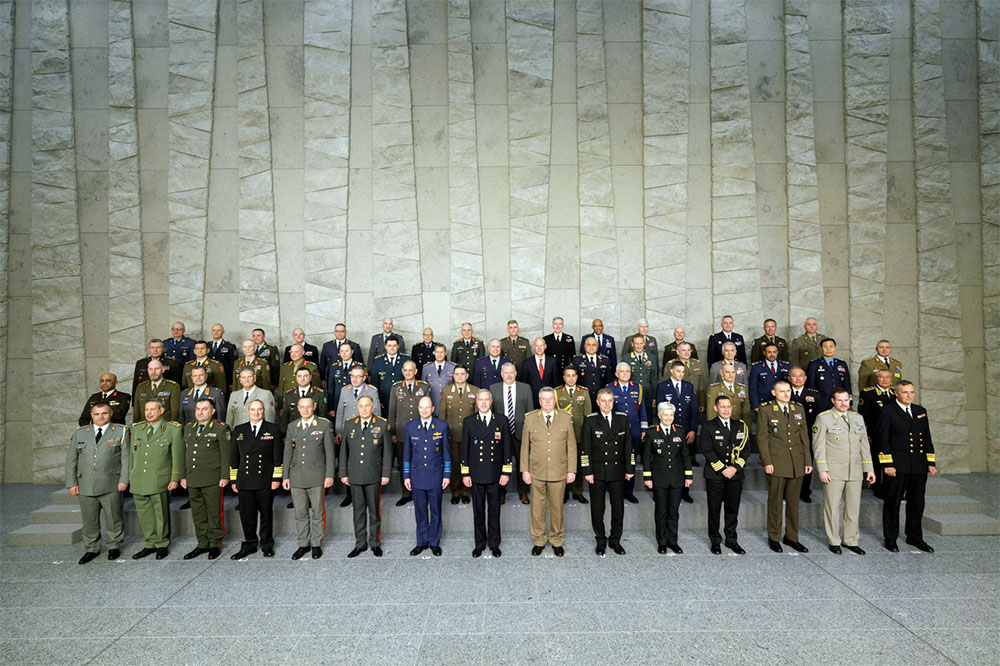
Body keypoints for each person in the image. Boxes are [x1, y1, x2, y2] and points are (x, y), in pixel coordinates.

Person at [812, 389, 875, 554]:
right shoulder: (824, 418)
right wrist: (822, 469)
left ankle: (851, 540)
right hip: (834, 470)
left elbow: (864, 445)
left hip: (855, 469)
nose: (843, 403)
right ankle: (834, 540)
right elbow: (818, 447)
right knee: (832, 507)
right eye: (839, 400)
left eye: (846, 400)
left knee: (853, 508)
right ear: (833, 401)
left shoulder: (857, 418)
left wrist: (869, 469)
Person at [66, 403, 129, 564]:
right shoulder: (80, 433)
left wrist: (124, 480)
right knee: (89, 520)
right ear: (91, 416)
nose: (100, 417)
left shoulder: (121, 431)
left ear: (111, 413)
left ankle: (114, 546)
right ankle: (91, 548)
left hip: (111, 483)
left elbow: (126, 458)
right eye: (96, 414)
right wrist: (71, 483)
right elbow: (71, 460)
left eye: (104, 413)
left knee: (114, 518)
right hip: (86, 484)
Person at [878, 380, 936, 553]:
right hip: (897, 466)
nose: (909, 395)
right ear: (896, 393)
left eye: (911, 392)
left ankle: (915, 537)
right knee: (892, 503)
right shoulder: (887, 411)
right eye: (905, 392)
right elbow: (882, 439)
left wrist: (930, 462)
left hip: (918, 465)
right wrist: (887, 464)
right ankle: (890, 538)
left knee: (917, 503)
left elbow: (926, 437)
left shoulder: (920, 411)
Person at [757, 380, 812, 553]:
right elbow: (762, 438)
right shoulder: (766, 410)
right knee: (775, 503)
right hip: (777, 462)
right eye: (782, 391)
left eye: (788, 391)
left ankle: (791, 537)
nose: (787, 394)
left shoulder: (798, 409)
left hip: (796, 462)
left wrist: (808, 461)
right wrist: (767, 461)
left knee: (794, 503)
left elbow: (804, 437)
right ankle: (774, 537)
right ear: (774, 393)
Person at [522, 387, 577, 556]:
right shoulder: (530, 418)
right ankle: (539, 540)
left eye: (550, 399)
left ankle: (556, 540)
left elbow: (572, 447)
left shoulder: (566, 418)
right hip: (536, 471)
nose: (547, 402)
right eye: (544, 399)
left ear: (555, 400)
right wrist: (525, 470)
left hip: (558, 471)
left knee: (557, 508)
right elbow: (525, 447)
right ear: (539, 401)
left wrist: (571, 470)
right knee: (537, 509)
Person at [580, 388, 634, 556]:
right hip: (597, 472)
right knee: (597, 509)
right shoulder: (590, 420)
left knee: (618, 509)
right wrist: (587, 471)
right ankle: (601, 540)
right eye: (603, 401)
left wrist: (629, 469)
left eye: (610, 401)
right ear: (597, 402)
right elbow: (585, 448)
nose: (607, 404)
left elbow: (628, 446)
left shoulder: (622, 419)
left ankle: (615, 540)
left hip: (617, 471)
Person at [282, 396, 335, 560]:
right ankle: (303, 544)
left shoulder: (324, 425)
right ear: (298, 409)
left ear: (314, 407)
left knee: (317, 511)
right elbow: (287, 453)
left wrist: (329, 475)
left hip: (317, 475)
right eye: (302, 407)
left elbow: (330, 452)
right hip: (297, 476)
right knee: (300, 512)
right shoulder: (292, 426)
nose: (305, 410)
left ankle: (316, 544)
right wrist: (285, 476)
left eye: (308, 407)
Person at [460, 390, 512, 557]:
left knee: (494, 511)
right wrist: (465, 473)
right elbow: (464, 449)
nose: (483, 403)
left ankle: (494, 543)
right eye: (480, 400)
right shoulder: (469, 421)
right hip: (476, 474)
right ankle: (479, 544)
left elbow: (507, 448)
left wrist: (506, 471)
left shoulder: (502, 420)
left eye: (486, 400)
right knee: (478, 512)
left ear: (491, 401)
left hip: (495, 474)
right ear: (476, 402)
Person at [339, 395, 392, 558]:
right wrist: (343, 472)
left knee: (374, 511)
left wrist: (385, 473)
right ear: (357, 408)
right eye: (361, 406)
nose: (363, 409)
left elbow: (388, 452)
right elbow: (343, 451)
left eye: (367, 405)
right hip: (355, 475)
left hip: (373, 475)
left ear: (373, 407)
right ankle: (360, 543)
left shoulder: (382, 424)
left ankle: (375, 543)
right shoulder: (349, 424)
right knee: (358, 512)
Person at [129, 399, 182, 559]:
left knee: (161, 514)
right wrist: (131, 475)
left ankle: (162, 543)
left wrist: (175, 478)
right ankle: (150, 543)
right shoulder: (137, 429)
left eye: (153, 409)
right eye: (147, 410)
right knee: (144, 514)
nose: (149, 413)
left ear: (161, 411)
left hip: (159, 479)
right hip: (139, 479)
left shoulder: (172, 430)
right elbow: (132, 456)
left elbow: (177, 456)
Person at [229, 399, 282, 559]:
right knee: (247, 516)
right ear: (248, 412)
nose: (256, 412)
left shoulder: (272, 429)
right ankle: (250, 544)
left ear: (263, 411)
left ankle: (266, 544)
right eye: (253, 409)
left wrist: (276, 478)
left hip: (265, 479)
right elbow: (234, 457)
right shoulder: (239, 430)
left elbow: (277, 456)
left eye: (259, 409)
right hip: (244, 479)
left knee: (266, 515)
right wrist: (234, 480)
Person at [180, 398, 230, 560]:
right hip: (193, 478)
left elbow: (226, 455)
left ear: (212, 411)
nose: (200, 412)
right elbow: (184, 453)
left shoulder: (220, 429)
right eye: (198, 409)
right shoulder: (189, 428)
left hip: (212, 478)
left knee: (214, 513)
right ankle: (202, 543)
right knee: (198, 514)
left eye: (204, 409)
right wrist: (183, 476)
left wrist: (225, 476)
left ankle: (215, 543)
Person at [700, 395, 749, 554]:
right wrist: (723, 469)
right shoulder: (708, 426)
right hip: (715, 475)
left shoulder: (740, 426)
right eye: (722, 406)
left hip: (735, 474)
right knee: (714, 509)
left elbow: (746, 450)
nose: (726, 409)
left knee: (732, 509)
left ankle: (731, 540)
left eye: (728, 406)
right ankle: (715, 541)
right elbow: (707, 450)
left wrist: (734, 468)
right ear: (716, 408)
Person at [403, 396, 451, 556]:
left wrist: (447, 475)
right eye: (421, 407)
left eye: (427, 407)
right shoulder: (410, 427)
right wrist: (406, 476)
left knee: (436, 511)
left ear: (432, 409)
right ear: (418, 409)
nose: (424, 410)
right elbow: (407, 454)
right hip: (417, 477)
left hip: (435, 476)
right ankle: (422, 542)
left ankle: (434, 543)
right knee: (420, 512)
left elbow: (446, 453)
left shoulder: (442, 426)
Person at [643, 402, 692, 554]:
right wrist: (647, 477)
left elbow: (685, 455)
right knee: (661, 511)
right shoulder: (652, 432)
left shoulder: (679, 431)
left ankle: (673, 541)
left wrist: (688, 475)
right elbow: (646, 457)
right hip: (659, 478)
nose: (669, 418)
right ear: (659, 415)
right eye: (666, 415)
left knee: (673, 511)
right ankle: (662, 542)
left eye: (671, 415)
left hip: (677, 477)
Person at [490, 362, 533, 504]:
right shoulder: (493, 388)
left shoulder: (525, 388)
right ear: (501, 374)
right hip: (500, 434)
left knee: (522, 463)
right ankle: (501, 493)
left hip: (520, 432)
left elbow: (530, 412)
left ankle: (523, 492)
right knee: (500, 463)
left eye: (511, 372)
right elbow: (491, 413)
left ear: (516, 373)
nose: (509, 375)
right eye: (506, 373)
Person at [387, 361, 429, 506]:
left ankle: (420, 491)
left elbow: (428, 409)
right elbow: (392, 411)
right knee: (404, 463)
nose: (408, 372)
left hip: (420, 433)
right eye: (405, 370)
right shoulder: (396, 387)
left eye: (410, 370)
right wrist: (392, 432)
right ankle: (406, 493)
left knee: (420, 463)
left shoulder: (423, 387)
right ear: (402, 371)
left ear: (416, 371)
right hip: (401, 432)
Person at [607, 363, 646, 503]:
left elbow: (642, 409)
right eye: (622, 371)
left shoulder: (637, 387)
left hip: (634, 430)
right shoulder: (609, 388)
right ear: (616, 374)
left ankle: (629, 492)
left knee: (631, 461)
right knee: (616, 461)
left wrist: (643, 429)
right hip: (616, 431)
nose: (625, 374)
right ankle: (616, 491)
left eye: (627, 371)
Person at [439, 365, 478, 504]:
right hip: (452, 434)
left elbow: (477, 415)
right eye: (457, 374)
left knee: (467, 463)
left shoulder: (475, 390)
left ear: (467, 376)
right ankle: (455, 491)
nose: (460, 376)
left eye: (462, 373)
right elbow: (442, 414)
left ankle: (466, 491)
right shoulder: (446, 391)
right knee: (455, 463)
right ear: (453, 376)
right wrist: (442, 434)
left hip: (469, 435)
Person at [654, 361, 698, 472]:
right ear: (671, 371)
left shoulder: (689, 386)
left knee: (686, 459)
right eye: (678, 371)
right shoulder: (662, 386)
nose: (681, 374)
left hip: (686, 428)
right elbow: (660, 409)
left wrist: (693, 429)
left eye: (683, 372)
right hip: (670, 427)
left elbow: (693, 410)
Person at [555, 366, 590, 504]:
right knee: (562, 464)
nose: (571, 378)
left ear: (577, 377)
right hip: (561, 435)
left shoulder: (584, 392)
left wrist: (586, 435)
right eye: (568, 376)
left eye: (573, 375)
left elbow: (587, 416)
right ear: (564, 377)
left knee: (578, 465)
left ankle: (577, 491)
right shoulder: (556, 392)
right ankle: (563, 492)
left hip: (579, 434)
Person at [858, 369, 895, 498]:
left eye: (887, 377)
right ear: (876, 378)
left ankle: (890, 487)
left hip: (892, 435)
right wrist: (867, 435)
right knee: (877, 460)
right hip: (875, 434)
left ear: (891, 379)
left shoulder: (895, 393)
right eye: (881, 377)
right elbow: (863, 417)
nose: (885, 380)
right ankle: (877, 488)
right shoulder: (868, 393)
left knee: (892, 461)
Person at [788, 366, 823, 502]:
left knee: (807, 463)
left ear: (805, 378)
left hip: (808, 436)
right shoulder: (784, 392)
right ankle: (788, 492)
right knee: (788, 463)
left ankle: (804, 491)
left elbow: (819, 417)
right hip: (788, 436)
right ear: (789, 378)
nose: (798, 379)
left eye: (801, 376)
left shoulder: (814, 395)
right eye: (794, 376)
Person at [571, 337, 614, 411]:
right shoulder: (577, 360)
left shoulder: (605, 360)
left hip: (600, 397)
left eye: (593, 345)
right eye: (588, 345)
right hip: (582, 396)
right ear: (584, 346)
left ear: (597, 346)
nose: (591, 347)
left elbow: (608, 380)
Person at [806, 337, 852, 407]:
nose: (828, 349)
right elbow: (811, 386)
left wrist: (849, 402)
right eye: (825, 347)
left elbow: (847, 385)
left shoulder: (842, 364)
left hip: (840, 402)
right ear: (821, 348)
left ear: (835, 348)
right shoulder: (814, 365)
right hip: (821, 402)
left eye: (831, 346)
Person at [275, 344, 321, 411]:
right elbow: (281, 388)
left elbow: (316, 389)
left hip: (306, 405)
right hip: (288, 404)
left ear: (303, 352)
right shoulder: (285, 367)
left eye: (296, 352)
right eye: (291, 352)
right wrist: (281, 407)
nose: (293, 354)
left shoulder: (311, 367)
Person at [281, 366, 327, 432]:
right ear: (296, 378)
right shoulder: (289, 395)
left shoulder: (319, 394)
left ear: (310, 377)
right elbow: (285, 417)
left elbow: (323, 416)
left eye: (305, 376)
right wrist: (284, 432)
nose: (302, 379)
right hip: (294, 431)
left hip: (314, 431)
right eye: (299, 376)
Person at [325, 342, 364, 418]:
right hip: (338, 402)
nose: (344, 353)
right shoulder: (334, 367)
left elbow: (364, 387)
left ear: (352, 351)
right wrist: (331, 407)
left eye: (347, 351)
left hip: (354, 402)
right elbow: (331, 388)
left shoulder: (359, 366)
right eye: (342, 351)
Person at [748, 343, 791, 411]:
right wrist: (755, 406)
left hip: (782, 403)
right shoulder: (757, 368)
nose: (772, 354)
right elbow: (753, 388)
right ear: (764, 353)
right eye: (769, 352)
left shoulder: (785, 367)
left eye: (774, 352)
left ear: (777, 352)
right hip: (764, 403)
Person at [371, 335, 410, 411]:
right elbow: (374, 383)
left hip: (403, 399)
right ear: (385, 346)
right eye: (389, 345)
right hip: (384, 401)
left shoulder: (405, 360)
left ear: (398, 346)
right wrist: (377, 400)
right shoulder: (378, 361)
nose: (392, 348)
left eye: (394, 345)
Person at [624, 333, 656, 422]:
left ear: (644, 343)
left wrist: (654, 397)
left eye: (641, 343)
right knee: (633, 416)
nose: (639, 346)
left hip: (647, 393)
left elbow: (654, 378)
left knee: (648, 417)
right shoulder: (626, 358)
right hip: (632, 392)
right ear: (632, 344)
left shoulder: (651, 358)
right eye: (636, 343)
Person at [520, 337, 557, 408]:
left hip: (548, 400)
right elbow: (524, 383)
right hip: (532, 399)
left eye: (541, 345)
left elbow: (556, 382)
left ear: (545, 346)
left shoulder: (552, 361)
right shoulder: (527, 363)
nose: (539, 348)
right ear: (533, 347)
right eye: (537, 345)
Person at [420, 342, 455, 413]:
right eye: (437, 352)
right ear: (434, 353)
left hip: (448, 405)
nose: (439, 354)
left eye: (441, 352)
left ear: (445, 353)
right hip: (432, 405)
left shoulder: (452, 368)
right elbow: (423, 388)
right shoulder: (426, 368)